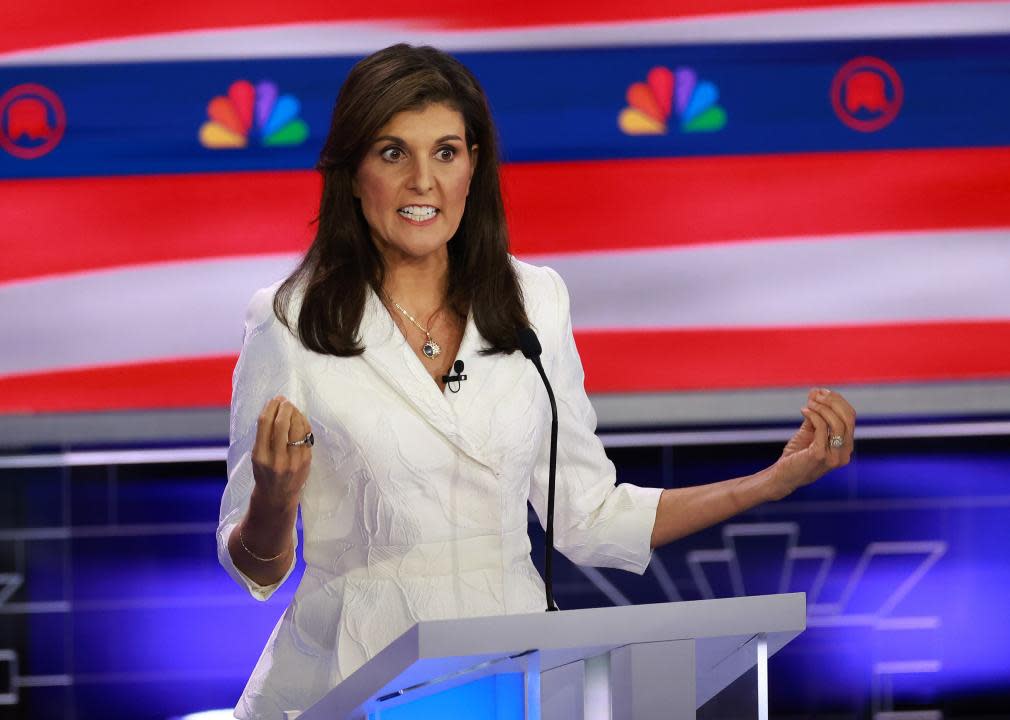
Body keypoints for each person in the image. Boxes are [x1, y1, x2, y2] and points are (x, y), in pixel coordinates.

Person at [217, 44, 856, 718]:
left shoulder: (534, 301)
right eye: (392, 152)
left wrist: (772, 481)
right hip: (354, 676)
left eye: (446, 152)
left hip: (511, 673)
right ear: (351, 173)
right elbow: (256, 566)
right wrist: (274, 498)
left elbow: (589, 518)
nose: (422, 183)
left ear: (474, 166)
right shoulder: (289, 318)